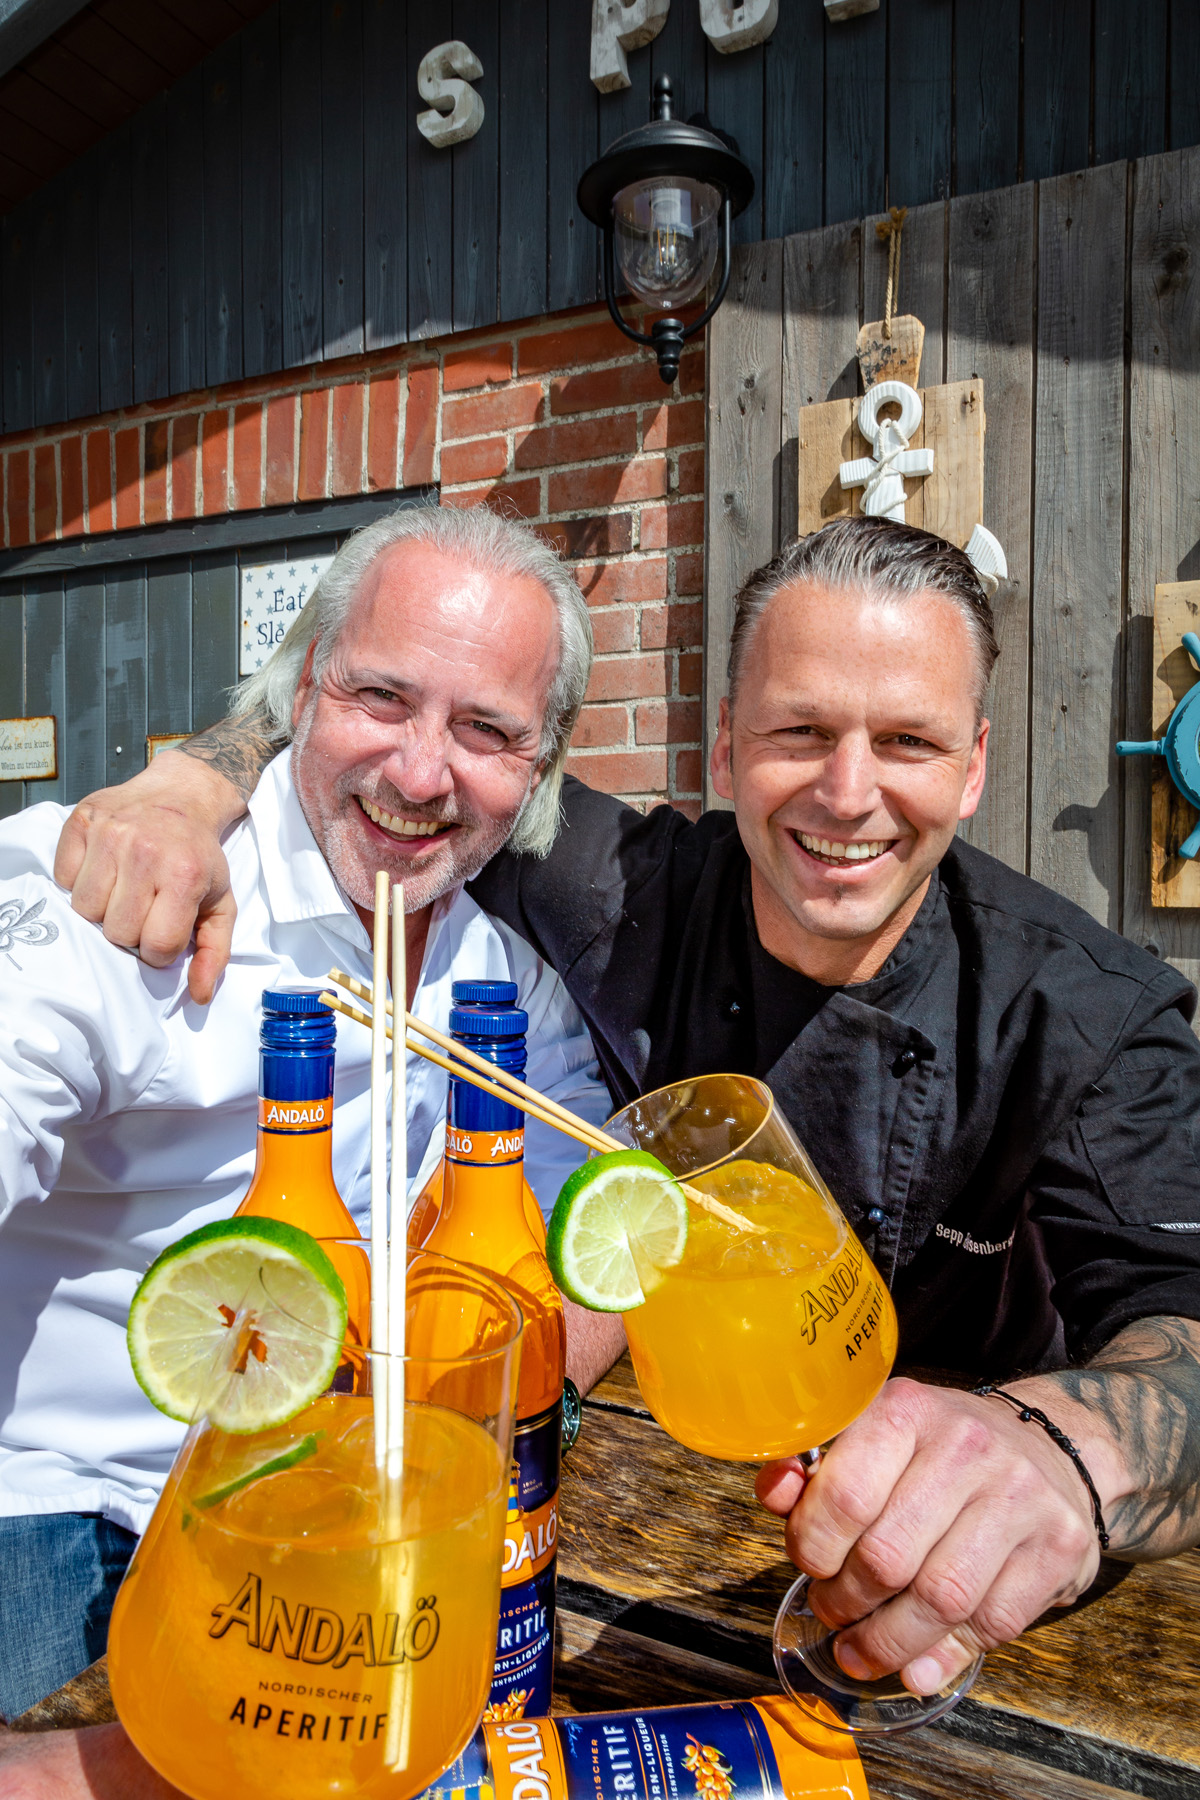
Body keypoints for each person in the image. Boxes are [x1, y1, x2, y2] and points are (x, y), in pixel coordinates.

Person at [45, 517, 1200, 1707]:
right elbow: (385, 722)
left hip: (980, 1592)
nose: (848, 795)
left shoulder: (1091, 1017)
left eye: (907, 741)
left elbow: (1190, 1330)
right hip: (625, 1534)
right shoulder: (615, 888)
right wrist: (186, 785)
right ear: (726, 744)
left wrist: (1068, 1454)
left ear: (973, 764)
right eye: (798, 732)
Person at [0, 503, 619, 1726]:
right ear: (299, 694)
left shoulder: (500, 978)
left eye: (487, 729)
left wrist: (502, 1390)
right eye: (381, 698)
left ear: (539, 771)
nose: (420, 772)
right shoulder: (137, 889)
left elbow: (583, 1223)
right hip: (69, 1498)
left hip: (340, 1504)